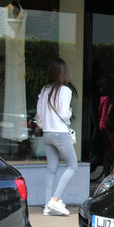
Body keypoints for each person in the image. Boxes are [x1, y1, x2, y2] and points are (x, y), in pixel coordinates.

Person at [36, 59, 76, 216]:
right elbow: (65, 114)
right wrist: (70, 111)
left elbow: (39, 114)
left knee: (51, 169)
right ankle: (55, 199)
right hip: (60, 133)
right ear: (63, 73)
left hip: (47, 133)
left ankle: (48, 205)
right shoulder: (65, 91)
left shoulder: (44, 90)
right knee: (72, 165)